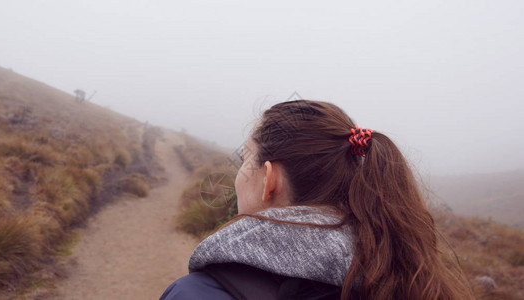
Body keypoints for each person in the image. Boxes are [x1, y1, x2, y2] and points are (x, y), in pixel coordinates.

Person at [159, 100, 474, 300]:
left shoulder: (197, 294)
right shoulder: (406, 281)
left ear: (269, 179)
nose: (239, 174)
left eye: (246, 159)